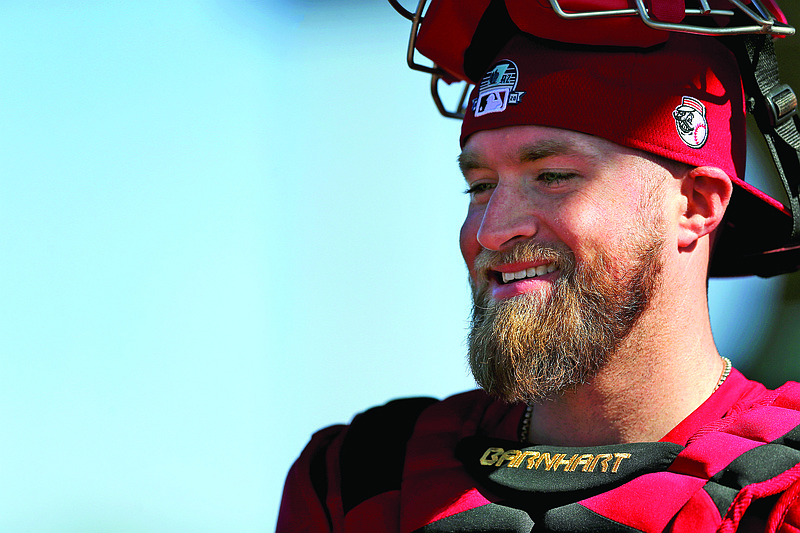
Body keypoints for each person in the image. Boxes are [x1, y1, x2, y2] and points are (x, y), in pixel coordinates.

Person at [277, 1, 800, 531]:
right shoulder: (362, 478)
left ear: (696, 206)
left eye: (552, 176)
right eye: (480, 186)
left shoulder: (784, 493)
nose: (491, 230)